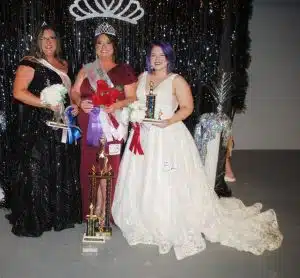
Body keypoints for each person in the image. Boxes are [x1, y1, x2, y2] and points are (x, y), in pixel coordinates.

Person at [112, 41, 282, 260]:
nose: (157, 59)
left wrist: (169, 120)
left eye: (161, 55)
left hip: (168, 136)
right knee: (142, 177)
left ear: (169, 58)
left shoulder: (176, 80)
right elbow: (135, 101)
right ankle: (143, 216)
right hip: (144, 136)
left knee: (167, 176)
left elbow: (188, 108)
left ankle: (167, 218)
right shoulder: (143, 78)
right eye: (153, 55)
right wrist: (133, 114)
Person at [6, 25, 82, 237]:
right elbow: (18, 92)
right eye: (43, 38)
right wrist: (45, 103)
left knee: (60, 166)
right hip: (40, 124)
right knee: (38, 168)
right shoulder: (30, 62)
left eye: (52, 38)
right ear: (37, 42)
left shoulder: (64, 64)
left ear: (57, 41)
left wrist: (75, 104)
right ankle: (38, 217)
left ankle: (59, 214)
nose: (48, 42)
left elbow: (70, 93)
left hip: (63, 124)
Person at [71, 23, 137, 220]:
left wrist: (116, 106)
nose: (104, 47)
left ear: (114, 46)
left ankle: (105, 209)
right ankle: (94, 207)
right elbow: (74, 92)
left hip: (113, 124)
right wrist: (80, 102)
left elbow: (132, 98)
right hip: (89, 123)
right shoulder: (87, 69)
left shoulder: (124, 70)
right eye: (99, 43)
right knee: (92, 165)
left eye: (108, 43)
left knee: (108, 166)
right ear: (94, 46)